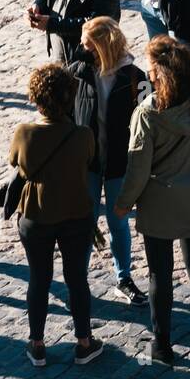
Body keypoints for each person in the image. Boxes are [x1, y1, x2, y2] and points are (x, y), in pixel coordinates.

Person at [115, 36, 190, 364]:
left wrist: (123, 204)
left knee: (160, 273)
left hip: (161, 200)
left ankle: (162, 344)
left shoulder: (148, 113)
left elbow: (138, 168)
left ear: (160, 73)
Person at [9, 63, 104, 367]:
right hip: (76, 215)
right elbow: (89, 161)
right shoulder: (83, 135)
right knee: (77, 279)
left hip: (35, 215)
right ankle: (84, 343)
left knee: (39, 279)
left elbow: (16, 163)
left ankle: (37, 344)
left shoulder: (24, 133)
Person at [70, 16, 149, 306]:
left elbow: (148, 121)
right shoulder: (78, 72)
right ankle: (79, 279)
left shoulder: (136, 77)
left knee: (118, 222)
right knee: (85, 221)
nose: (82, 50)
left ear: (103, 47)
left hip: (119, 163)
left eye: (87, 45)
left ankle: (123, 277)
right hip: (87, 162)